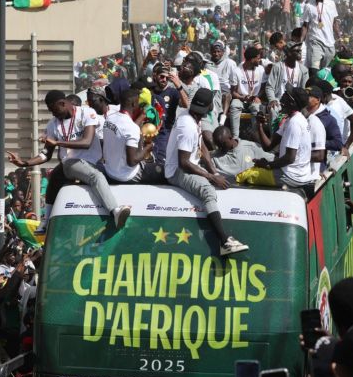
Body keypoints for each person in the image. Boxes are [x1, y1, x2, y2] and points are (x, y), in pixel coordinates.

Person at [7, 90, 131, 233]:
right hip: (72, 163)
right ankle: (115, 211)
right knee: (94, 176)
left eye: (54, 110)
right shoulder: (53, 124)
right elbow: (46, 154)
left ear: (63, 103)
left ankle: (46, 222)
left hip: (95, 162)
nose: (53, 114)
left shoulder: (86, 113)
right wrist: (24, 163)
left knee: (57, 177)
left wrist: (58, 142)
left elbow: (87, 142)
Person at [164, 88, 248, 256]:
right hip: (176, 172)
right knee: (208, 191)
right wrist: (210, 178)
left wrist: (214, 172)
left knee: (220, 178)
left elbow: (201, 145)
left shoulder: (194, 117)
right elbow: (184, 163)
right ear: (209, 106)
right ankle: (224, 242)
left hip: (190, 163)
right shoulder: (187, 125)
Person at [254, 87, 315, 189]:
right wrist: (259, 126)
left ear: (291, 102)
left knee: (247, 175)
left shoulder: (294, 123)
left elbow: (290, 158)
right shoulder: (290, 120)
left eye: (285, 95)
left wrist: (268, 165)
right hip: (294, 173)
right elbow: (268, 146)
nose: (281, 99)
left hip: (292, 176)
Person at [102, 89, 163, 184]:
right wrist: (147, 148)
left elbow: (125, 129)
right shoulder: (131, 128)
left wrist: (142, 117)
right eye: (138, 102)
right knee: (163, 171)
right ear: (134, 104)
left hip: (110, 172)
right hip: (127, 176)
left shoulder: (109, 119)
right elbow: (132, 161)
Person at [301, 0, 340, 77]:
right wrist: (300, 42)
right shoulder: (308, 5)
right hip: (315, 42)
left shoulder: (331, 4)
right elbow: (305, 25)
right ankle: (313, 89)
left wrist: (340, 38)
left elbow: (335, 23)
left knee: (324, 72)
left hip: (330, 44)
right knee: (314, 69)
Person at [150, 65, 185, 166]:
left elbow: (186, 104)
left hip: (165, 132)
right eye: (161, 76)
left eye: (166, 77)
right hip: (149, 130)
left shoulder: (173, 92)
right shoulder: (150, 90)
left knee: (161, 160)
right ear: (155, 76)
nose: (164, 79)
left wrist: (179, 86)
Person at [229, 47, 267, 139]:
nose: (259, 60)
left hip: (255, 99)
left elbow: (263, 87)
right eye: (258, 58)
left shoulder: (261, 70)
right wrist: (244, 98)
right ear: (252, 59)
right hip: (240, 98)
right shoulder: (237, 71)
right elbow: (233, 92)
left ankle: (257, 138)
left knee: (256, 107)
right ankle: (235, 137)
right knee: (234, 106)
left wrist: (257, 96)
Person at [266, 41, 309, 110]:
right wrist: (272, 100)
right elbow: (269, 87)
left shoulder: (303, 70)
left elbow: (304, 90)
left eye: (300, 50)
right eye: (297, 51)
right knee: (273, 109)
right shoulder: (278, 67)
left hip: (296, 103)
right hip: (279, 101)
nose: (299, 52)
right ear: (289, 53)